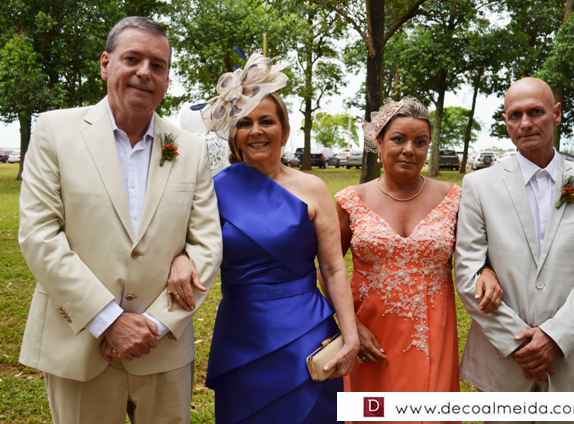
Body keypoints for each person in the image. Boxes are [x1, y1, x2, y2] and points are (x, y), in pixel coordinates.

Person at [18, 17, 222, 423]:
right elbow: (40, 236)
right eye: (132, 59)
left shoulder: (190, 149)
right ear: (105, 64)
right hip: (79, 344)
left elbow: (207, 243)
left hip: (162, 350)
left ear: (166, 79)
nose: (145, 72)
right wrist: (109, 321)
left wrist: (153, 326)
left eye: (158, 65)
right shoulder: (54, 131)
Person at [169, 53, 359, 423]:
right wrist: (179, 257)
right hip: (242, 335)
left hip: (307, 334)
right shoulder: (213, 190)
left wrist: (350, 337)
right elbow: (183, 244)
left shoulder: (313, 188)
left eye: (266, 121)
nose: (256, 130)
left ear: (284, 131)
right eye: (245, 123)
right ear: (234, 134)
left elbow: (334, 269)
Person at [332, 97, 502, 423]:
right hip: (369, 336)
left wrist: (488, 270)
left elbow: (480, 252)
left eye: (420, 142)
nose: (409, 150)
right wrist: (351, 328)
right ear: (379, 142)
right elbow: (329, 271)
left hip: (431, 335)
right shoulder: (350, 201)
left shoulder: (454, 199)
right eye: (399, 139)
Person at [455, 78, 574, 411]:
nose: (525, 123)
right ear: (505, 121)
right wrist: (517, 343)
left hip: (569, 360)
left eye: (536, 112)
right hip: (503, 362)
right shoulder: (478, 186)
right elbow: (467, 270)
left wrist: (555, 337)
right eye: (515, 115)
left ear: (556, 114)